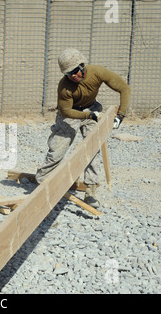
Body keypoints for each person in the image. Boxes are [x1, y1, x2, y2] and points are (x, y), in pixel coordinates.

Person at [35, 48, 130, 208]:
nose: (72, 76)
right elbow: (66, 111)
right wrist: (89, 116)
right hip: (70, 115)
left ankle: (90, 191)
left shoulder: (97, 72)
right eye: (68, 73)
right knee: (57, 149)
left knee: (92, 149)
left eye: (74, 71)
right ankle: (42, 180)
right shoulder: (64, 87)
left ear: (82, 66)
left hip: (92, 108)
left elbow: (124, 88)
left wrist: (121, 115)